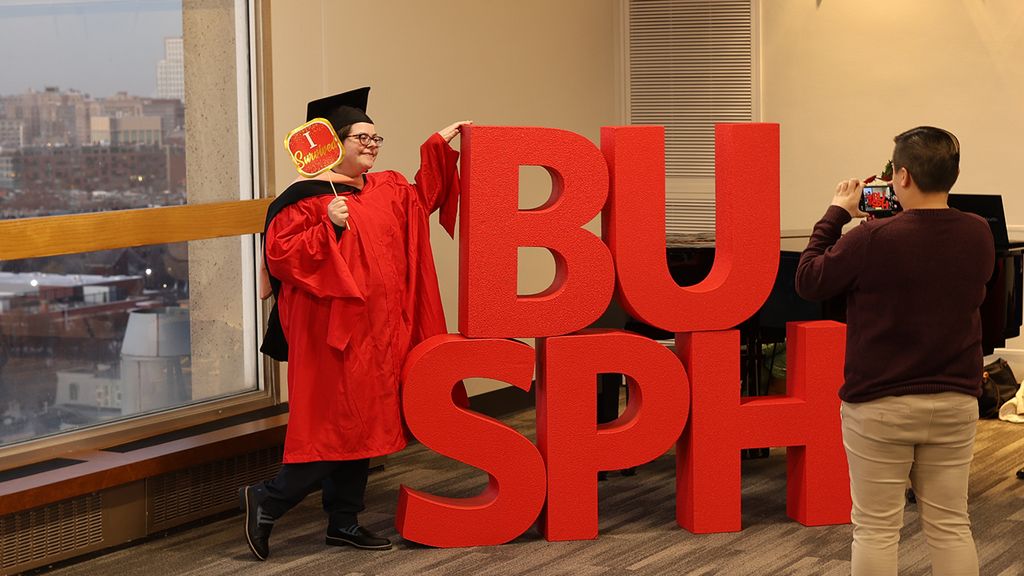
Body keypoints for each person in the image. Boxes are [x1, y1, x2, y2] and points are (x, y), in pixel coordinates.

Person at [239, 86, 471, 561]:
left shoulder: (386, 189)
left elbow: (424, 197)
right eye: (360, 136)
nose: (371, 144)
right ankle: (270, 498)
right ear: (330, 142)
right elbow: (280, 257)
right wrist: (327, 225)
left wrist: (437, 148)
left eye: (375, 137)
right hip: (331, 336)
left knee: (363, 425)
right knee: (333, 427)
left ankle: (343, 521)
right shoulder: (304, 199)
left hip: (381, 334)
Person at [796, 126, 993, 576]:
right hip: (955, 400)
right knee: (950, 525)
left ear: (901, 176)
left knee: (876, 529)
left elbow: (808, 279)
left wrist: (836, 213)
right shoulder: (978, 232)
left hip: (880, 403)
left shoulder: (871, 239)